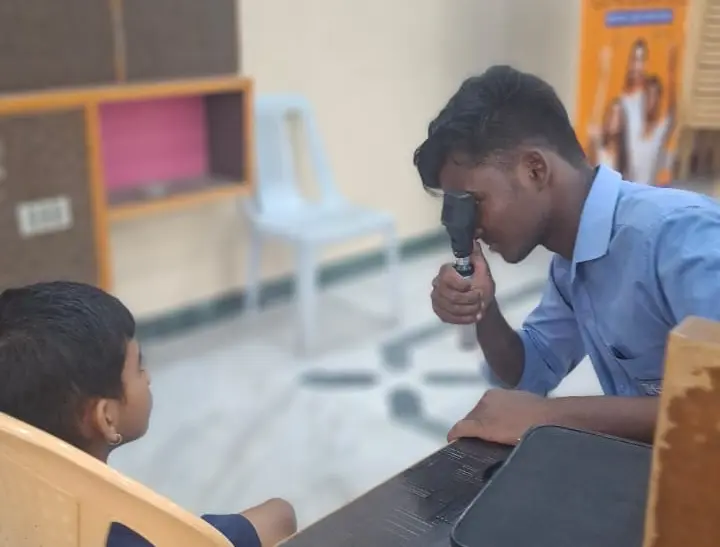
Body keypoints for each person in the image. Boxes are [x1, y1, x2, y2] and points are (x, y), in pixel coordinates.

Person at [413, 65, 720, 446]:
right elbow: (530, 373)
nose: (471, 226)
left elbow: (712, 404)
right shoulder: (571, 262)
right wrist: (483, 307)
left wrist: (547, 416)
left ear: (535, 170)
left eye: (475, 202)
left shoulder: (679, 235)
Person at [0, 282, 297, 547]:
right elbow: (280, 518)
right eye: (139, 368)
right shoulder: (131, 535)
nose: (149, 378)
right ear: (106, 418)